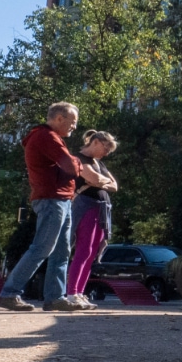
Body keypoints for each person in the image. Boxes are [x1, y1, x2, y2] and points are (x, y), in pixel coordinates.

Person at [0, 102, 101, 311]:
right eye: (73, 122)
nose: (74, 127)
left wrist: (74, 163)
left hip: (61, 200)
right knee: (42, 247)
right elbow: (71, 167)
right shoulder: (46, 137)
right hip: (51, 200)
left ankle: (55, 298)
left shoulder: (50, 138)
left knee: (62, 251)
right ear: (59, 118)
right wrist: (77, 162)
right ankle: (9, 293)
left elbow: (69, 165)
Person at [65, 130, 119, 310]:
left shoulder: (98, 163)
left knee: (92, 252)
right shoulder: (79, 159)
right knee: (83, 249)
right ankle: (72, 293)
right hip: (85, 206)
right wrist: (100, 181)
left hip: (101, 208)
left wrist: (100, 182)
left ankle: (80, 292)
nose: (106, 153)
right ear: (96, 142)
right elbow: (94, 178)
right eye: (106, 148)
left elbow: (114, 186)